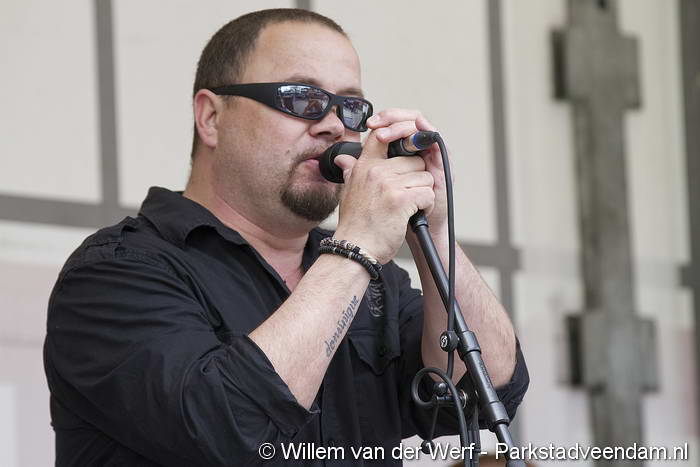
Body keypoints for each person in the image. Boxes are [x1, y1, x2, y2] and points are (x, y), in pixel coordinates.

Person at [44, 8, 528, 467]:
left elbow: (491, 387)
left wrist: (436, 230)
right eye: (302, 99)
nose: (334, 125)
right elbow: (229, 430)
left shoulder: (374, 281)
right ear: (211, 117)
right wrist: (356, 246)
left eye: (351, 107)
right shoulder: (114, 273)